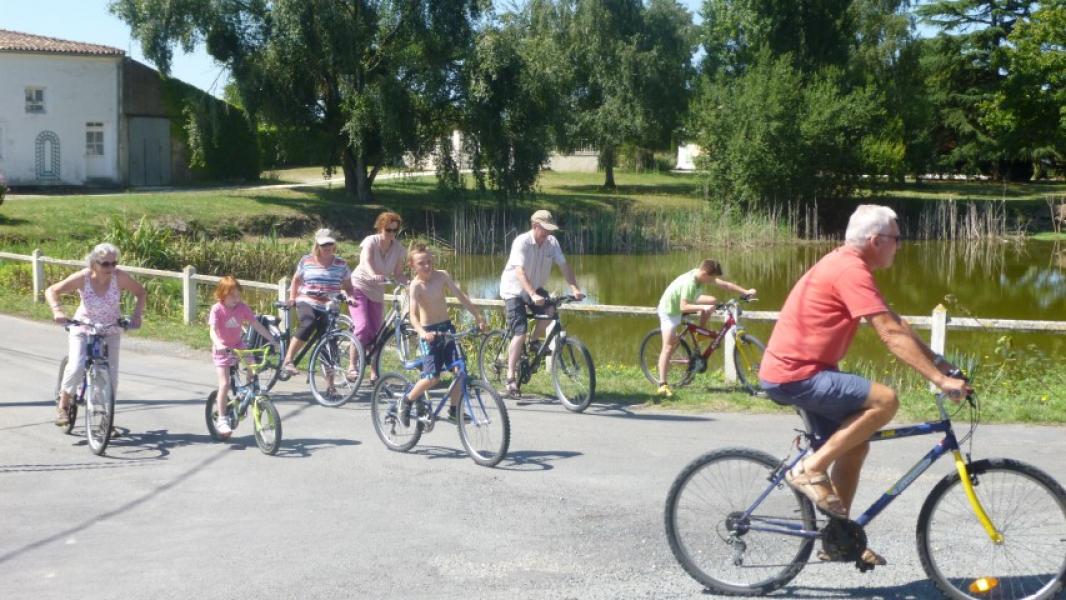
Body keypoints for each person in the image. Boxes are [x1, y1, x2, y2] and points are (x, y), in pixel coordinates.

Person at [758, 204, 969, 567]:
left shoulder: (851, 266)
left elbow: (894, 323)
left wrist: (941, 363)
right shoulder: (849, 269)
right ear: (875, 240)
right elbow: (887, 335)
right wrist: (938, 381)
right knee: (885, 400)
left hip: (805, 372)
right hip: (797, 374)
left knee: (855, 447)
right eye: (897, 239)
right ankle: (809, 469)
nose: (899, 246)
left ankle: (840, 541)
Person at [45, 243, 146, 429]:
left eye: (114, 263)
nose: (110, 268)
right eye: (105, 264)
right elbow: (52, 291)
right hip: (84, 327)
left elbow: (140, 292)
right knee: (76, 365)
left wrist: (136, 315)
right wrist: (58, 311)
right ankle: (63, 405)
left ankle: (105, 420)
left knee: (111, 377)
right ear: (93, 263)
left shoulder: (119, 277)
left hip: (110, 329)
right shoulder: (83, 278)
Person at [396, 245, 487, 425]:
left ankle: (454, 410)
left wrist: (478, 316)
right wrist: (422, 332)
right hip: (429, 332)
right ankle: (406, 402)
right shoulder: (415, 286)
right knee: (433, 377)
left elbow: (461, 297)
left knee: (460, 371)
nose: (427, 266)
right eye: (422, 263)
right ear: (412, 265)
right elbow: (413, 315)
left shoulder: (442, 275)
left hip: (446, 329)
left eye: (430, 261)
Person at [499, 210, 584, 397]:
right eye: (544, 229)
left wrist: (574, 288)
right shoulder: (521, 242)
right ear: (534, 226)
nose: (548, 233)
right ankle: (510, 378)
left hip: (535, 288)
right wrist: (531, 293)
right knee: (519, 331)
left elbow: (564, 265)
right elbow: (519, 272)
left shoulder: (552, 243)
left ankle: (534, 341)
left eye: (550, 229)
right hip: (514, 290)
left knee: (551, 310)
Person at [655, 259, 756, 398]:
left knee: (712, 301)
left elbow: (725, 285)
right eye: (711, 278)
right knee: (668, 347)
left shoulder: (701, 276)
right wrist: (703, 307)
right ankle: (662, 385)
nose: (712, 281)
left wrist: (745, 291)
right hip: (669, 311)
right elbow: (683, 307)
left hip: (685, 300)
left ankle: (700, 333)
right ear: (704, 273)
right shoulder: (689, 283)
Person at [208, 276, 278, 437]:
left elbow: (256, 324)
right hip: (223, 349)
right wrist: (218, 344)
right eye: (232, 295)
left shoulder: (242, 308)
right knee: (224, 384)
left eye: (238, 295)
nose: (236, 298)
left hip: (239, 345)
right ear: (222, 295)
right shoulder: (217, 309)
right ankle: (222, 419)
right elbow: (212, 330)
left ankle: (246, 393)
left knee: (253, 367)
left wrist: (272, 340)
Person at [282, 228, 357, 376]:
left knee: (330, 340)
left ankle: (331, 386)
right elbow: (296, 280)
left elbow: (349, 287)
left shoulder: (341, 264)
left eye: (330, 244)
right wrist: (292, 298)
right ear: (317, 245)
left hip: (329, 306)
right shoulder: (306, 260)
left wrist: (350, 297)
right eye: (324, 245)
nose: (327, 247)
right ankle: (288, 360)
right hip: (307, 300)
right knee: (308, 323)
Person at [349, 211, 408, 382]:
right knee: (362, 326)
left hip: (377, 291)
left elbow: (398, 273)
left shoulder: (398, 248)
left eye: (394, 231)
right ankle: (352, 366)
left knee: (377, 333)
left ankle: (374, 372)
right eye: (388, 230)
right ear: (380, 228)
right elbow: (366, 261)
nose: (391, 234)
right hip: (359, 285)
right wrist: (373, 274)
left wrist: (410, 282)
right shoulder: (370, 241)